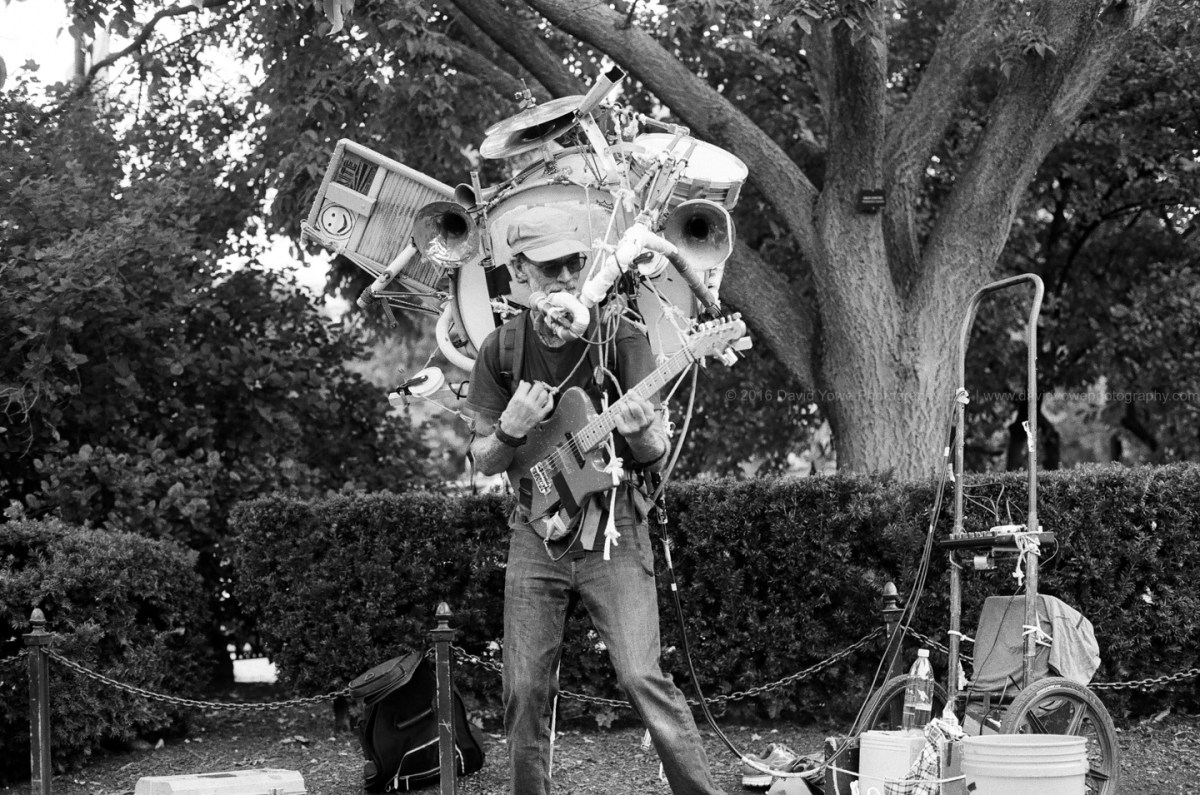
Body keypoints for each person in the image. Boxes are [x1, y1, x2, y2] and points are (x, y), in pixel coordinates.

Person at [465, 205, 727, 795]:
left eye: (574, 263)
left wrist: (640, 433)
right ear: (519, 273)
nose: (564, 277)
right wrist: (510, 429)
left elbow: (654, 451)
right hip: (535, 531)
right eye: (550, 266)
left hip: (614, 527)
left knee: (640, 676)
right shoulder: (500, 350)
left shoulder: (620, 335)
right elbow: (483, 458)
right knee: (524, 687)